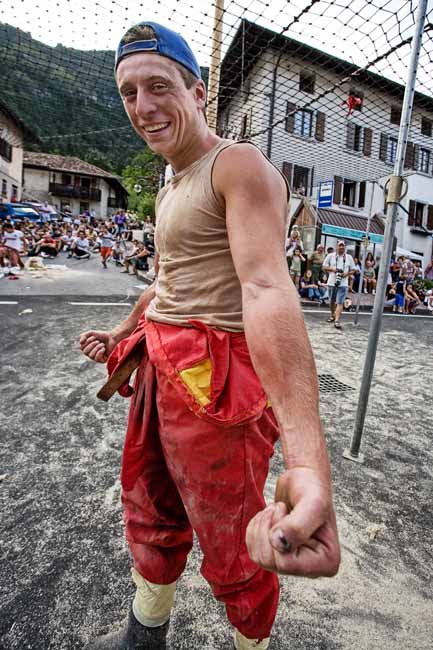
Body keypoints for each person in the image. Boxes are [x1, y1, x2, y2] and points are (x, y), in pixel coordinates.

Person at [79, 21, 340, 650]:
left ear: (198, 92)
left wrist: (307, 460)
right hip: (159, 369)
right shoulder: (173, 183)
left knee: (234, 538)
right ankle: (147, 632)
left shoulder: (237, 164)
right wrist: (120, 333)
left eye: (159, 86)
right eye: (129, 92)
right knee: (150, 506)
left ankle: (253, 643)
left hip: (215, 386)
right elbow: (168, 285)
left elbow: (267, 289)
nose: (143, 107)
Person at [323, 240, 355, 330]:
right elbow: (324, 266)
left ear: (345, 247)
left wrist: (347, 274)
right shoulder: (330, 256)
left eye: (343, 246)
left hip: (343, 283)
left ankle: (337, 320)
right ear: (337, 246)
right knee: (332, 301)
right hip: (332, 282)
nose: (341, 247)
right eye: (340, 245)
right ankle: (332, 315)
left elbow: (354, 269)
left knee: (340, 302)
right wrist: (333, 269)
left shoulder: (349, 257)